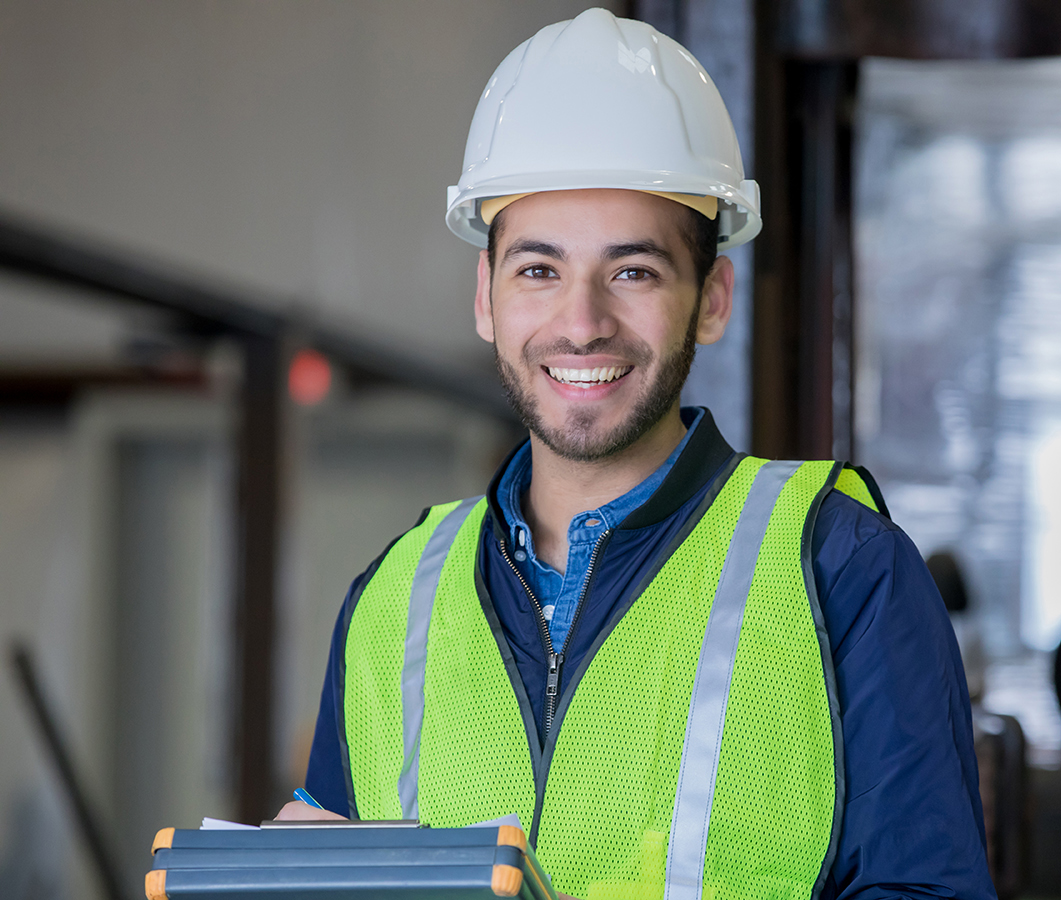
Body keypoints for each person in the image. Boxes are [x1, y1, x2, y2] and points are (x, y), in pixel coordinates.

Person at [283, 10, 994, 900]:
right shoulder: (391, 601)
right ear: (487, 298)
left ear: (713, 299)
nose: (582, 323)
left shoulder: (843, 571)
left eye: (633, 272)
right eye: (538, 270)